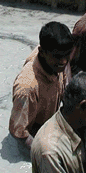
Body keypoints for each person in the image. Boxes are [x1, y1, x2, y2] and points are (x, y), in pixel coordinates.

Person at [9, 21, 74, 150]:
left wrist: (68, 86)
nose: (64, 61)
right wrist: (46, 153)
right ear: (41, 52)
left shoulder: (55, 53)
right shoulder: (27, 88)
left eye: (67, 55)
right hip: (33, 134)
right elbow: (19, 133)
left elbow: (65, 63)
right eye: (58, 57)